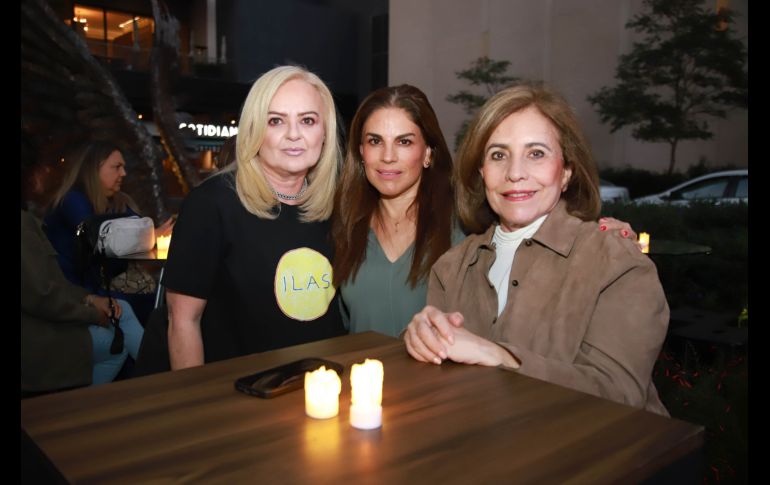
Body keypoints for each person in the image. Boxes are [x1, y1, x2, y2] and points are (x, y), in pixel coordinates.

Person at [403, 83, 669, 415]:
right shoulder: (451, 267)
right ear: (482, 172)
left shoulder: (616, 261)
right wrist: (421, 339)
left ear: (567, 171)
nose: (515, 173)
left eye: (536, 153)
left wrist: (501, 357)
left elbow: (619, 393)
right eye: (498, 155)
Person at [332, 85, 640, 338]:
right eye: (375, 141)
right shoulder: (343, 226)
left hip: (443, 390)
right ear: (361, 152)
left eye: (404, 141)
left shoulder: (469, 223)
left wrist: (604, 241)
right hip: (361, 388)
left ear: (427, 153)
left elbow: (538, 236)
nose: (387, 156)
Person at [163, 65, 346, 370]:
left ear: (325, 131)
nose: (294, 135)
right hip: (240, 390)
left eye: (308, 120)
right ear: (254, 129)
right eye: (276, 120)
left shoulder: (338, 204)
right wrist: (194, 396)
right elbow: (183, 321)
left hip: (324, 383)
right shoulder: (211, 204)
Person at [44, 141, 173, 323]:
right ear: (94, 169)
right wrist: (151, 236)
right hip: (73, 290)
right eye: (117, 167)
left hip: (97, 285)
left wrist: (150, 235)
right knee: (149, 307)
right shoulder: (72, 201)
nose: (123, 173)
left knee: (160, 304)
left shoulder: (116, 201)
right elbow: (102, 239)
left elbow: (141, 229)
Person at [22, 210, 144, 392]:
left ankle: (161, 373)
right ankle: (79, 405)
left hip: (46, 318)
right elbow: (44, 298)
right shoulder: (27, 224)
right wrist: (92, 314)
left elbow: (53, 287)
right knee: (114, 346)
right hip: (36, 335)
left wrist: (90, 298)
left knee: (121, 309)